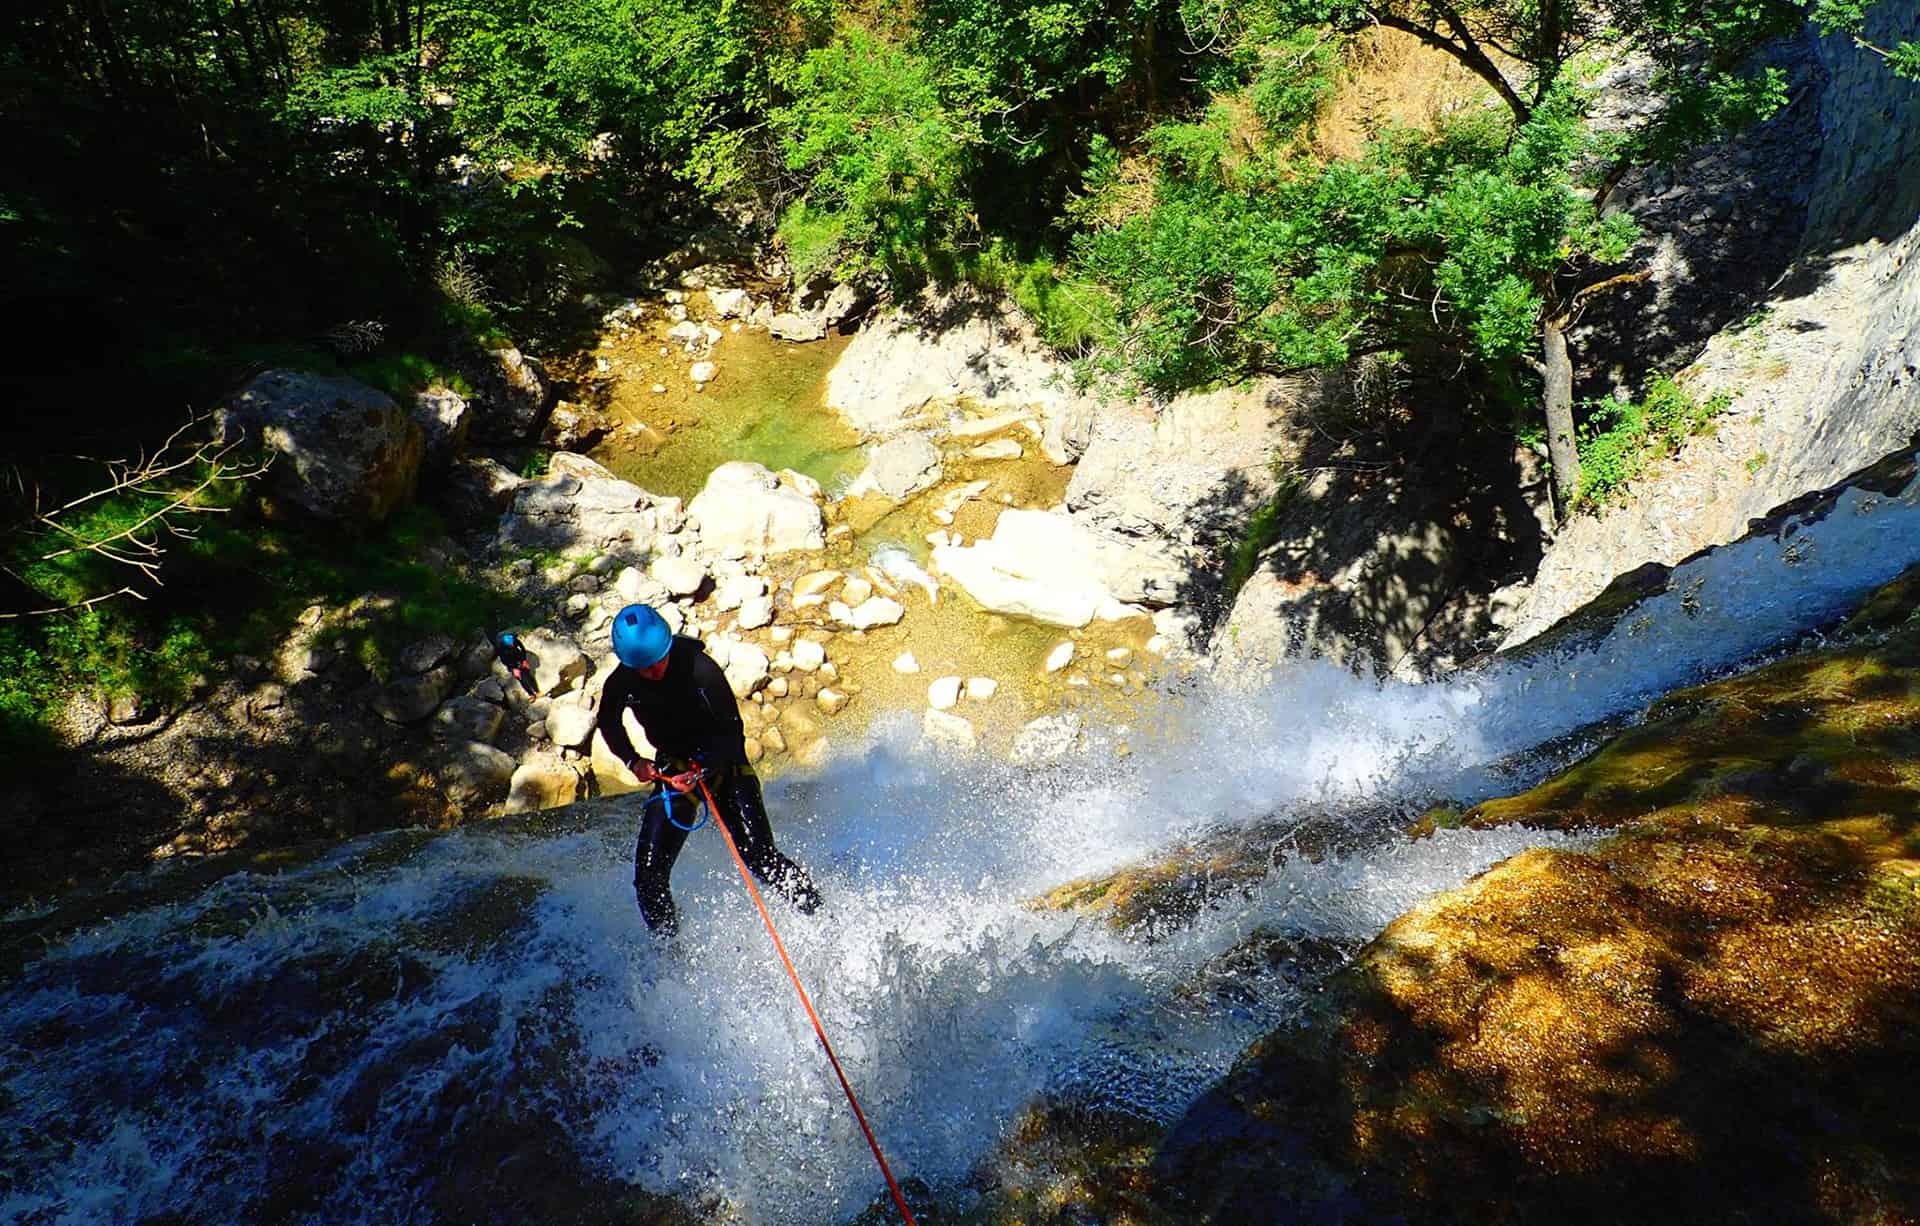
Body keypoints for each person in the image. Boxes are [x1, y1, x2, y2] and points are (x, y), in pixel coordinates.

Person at [596, 602, 821, 935]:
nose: (652, 671)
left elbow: (733, 733)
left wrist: (701, 770)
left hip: (724, 764)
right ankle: (670, 949)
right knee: (648, 878)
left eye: (657, 662)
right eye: (643, 668)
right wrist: (632, 760)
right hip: (673, 769)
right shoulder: (622, 682)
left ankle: (818, 913)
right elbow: (609, 723)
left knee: (758, 854)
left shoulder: (700, 669)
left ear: (666, 645)